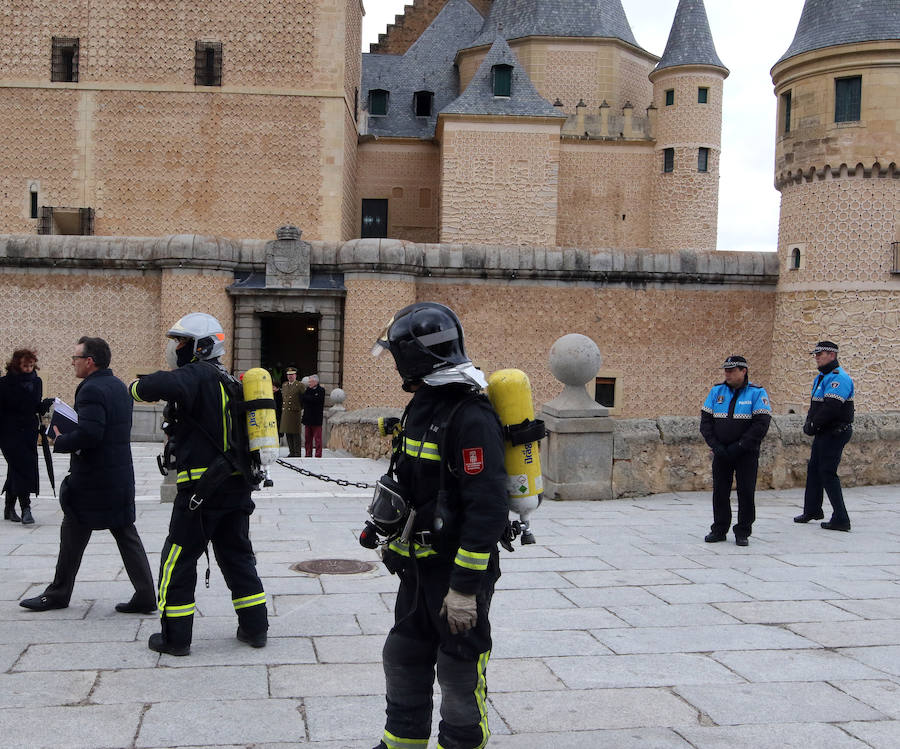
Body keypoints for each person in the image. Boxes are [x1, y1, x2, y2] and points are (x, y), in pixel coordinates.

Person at [368, 302, 509, 749]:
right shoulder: (423, 405)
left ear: (416, 356)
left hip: (454, 574)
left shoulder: (471, 416)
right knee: (403, 655)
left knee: (458, 670)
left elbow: (487, 509)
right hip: (416, 566)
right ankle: (401, 744)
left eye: (397, 355)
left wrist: (465, 588)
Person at [129, 313, 268, 656]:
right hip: (236, 486)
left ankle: (175, 638)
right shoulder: (228, 380)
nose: (176, 348)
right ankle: (255, 628)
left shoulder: (196, 375)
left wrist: (130, 386)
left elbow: (152, 386)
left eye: (181, 342)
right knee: (237, 556)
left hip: (203, 491)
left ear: (200, 346)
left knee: (177, 558)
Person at [19, 337, 156, 613]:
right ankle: (145, 594)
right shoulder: (119, 386)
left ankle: (58, 592)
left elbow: (92, 434)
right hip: (117, 474)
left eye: (75, 358)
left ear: (89, 361)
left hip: (94, 478)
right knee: (124, 532)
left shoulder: (90, 389)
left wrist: (62, 439)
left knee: (73, 529)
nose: (73, 363)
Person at [699, 355, 771, 547]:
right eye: (726, 370)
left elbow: (761, 425)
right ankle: (719, 528)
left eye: (731, 371)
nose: (727, 374)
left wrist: (740, 446)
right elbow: (706, 422)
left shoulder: (757, 393)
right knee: (720, 491)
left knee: (746, 491)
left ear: (743, 371)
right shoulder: (717, 391)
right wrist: (716, 445)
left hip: (746, 453)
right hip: (721, 452)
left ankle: (743, 531)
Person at [795, 340, 854, 531]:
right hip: (824, 432)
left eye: (820, 354)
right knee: (814, 469)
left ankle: (841, 518)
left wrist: (813, 424)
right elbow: (815, 405)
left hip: (836, 431)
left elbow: (831, 407)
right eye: (816, 354)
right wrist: (809, 422)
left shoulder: (839, 378)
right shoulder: (821, 378)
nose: (817, 357)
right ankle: (812, 510)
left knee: (828, 472)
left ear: (832, 355)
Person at [0, 348, 44, 524]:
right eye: (25, 366)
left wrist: (44, 406)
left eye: (32, 365)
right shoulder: (4, 383)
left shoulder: (37, 382)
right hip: (8, 432)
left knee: (17, 468)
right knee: (21, 467)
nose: (29, 369)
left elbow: (34, 406)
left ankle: (9, 507)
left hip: (29, 431)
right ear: (17, 365)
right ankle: (26, 507)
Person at [280, 367, 304, 457]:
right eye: (289, 375)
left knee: (296, 434)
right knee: (288, 433)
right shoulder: (285, 385)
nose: (290, 377)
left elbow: (303, 399)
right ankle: (291, 452)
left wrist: (300, 408)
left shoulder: (299, 385)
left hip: (295, 412)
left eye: (292, 375)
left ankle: (297, 452)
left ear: (295, 375)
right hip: (286, 413)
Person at [300, 373, 326, 457]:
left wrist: (309, 398)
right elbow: (303, 398)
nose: (309, 383)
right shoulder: (307, 390)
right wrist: (309, 398)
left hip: (316, 419)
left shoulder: (321, 390)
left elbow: (317, 400)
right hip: (307, 418)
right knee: (307, 439)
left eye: (310, 382)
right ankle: (308, 454)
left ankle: (318, 454)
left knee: (317, 439)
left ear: (315, 382)